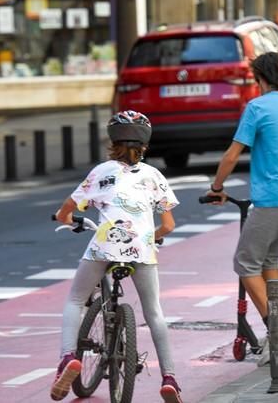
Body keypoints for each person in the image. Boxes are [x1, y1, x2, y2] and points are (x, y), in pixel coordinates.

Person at [51, 110, 183, 403]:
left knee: (75, 299)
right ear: (145, 144)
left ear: (112, 141)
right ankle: (170, 378)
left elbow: (65, 212)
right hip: (142, 249)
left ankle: (68, 358)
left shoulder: (101, 172)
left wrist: (69, 220)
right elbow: (169, 225)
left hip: (104, 246)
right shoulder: (154, 176)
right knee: (154, 312)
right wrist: (152, 237)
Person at [207, 52, 278, 365]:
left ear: (264, 79)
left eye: (256, 79)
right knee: (269, 260)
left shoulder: (258, 107)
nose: (256, 86)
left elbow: (231, 156)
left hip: (273, 199)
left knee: (245, 264)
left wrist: (216, 188)